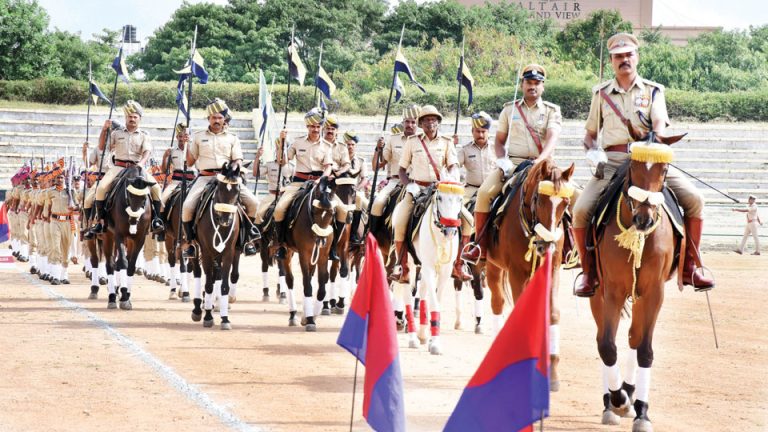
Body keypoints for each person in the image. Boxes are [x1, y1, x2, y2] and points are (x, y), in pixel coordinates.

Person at [572, 33, 714, 297]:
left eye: (629, 55)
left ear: (636, 57)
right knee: (580, 211)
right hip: (613, 162)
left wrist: (650, 145)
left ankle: (691, 266)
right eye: (618, 56)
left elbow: (659, 125)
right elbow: (590, 135)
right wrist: (592, 152)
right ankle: (588, 272)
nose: (624, 60)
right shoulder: (601, 94)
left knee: (695, 199)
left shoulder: (653, 91)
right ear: (612, 61)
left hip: (649, 160)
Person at [464, 65, 562, 263]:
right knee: (483, 194)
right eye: (529, 82)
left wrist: (541, 160)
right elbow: (499, 141)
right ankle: (480, 247)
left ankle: (569, 248)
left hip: (544, 165)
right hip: (514, 163)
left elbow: (552, 139)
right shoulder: (510, 109)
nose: (532, 86)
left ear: (543, 86)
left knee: (570, 197)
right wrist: (503, 162)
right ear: (522, 84)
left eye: (537, 83)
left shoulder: (552, 110)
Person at [389, 105, 474, 283]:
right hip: (417, 190)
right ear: (420, 123)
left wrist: (452, 175)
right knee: (399, 220)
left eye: (433, 119)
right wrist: (409, 185)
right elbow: (402, 170)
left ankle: (460, 264)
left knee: (467, 220)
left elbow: (452, 164)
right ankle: (402, 266)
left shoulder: (446, 142)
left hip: (440, 189)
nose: (430, 123)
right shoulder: (412, 142)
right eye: (426, 120)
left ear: (438, 123)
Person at [181, 98, 260, 257]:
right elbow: (190, 162)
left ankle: (247, 237)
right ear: (208, 118)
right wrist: (187, 145)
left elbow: (238, 158)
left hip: (227, 178)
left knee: (254, 203)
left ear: (224, 119)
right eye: (213, 117)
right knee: (187, 206)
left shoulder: (232, 138)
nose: (216, 120)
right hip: (205, 177)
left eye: (219, 117)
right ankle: (190, 242)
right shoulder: (197, 137)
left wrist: (235, 167)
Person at [86, 101, 163, 237]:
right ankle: (100, 222)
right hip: (119, 167)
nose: (132, 119)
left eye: (135, 117)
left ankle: (156, 219)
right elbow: (103, 147)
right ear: (125, 118)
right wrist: (104, 130)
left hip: (137, 167)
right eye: (129, 117)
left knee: (156, 188)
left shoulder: (144, 135)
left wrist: (141, 164)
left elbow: (147, 152)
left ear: (139, 118)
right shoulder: (117, 133)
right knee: (101, 189)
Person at [273, 108, 334, 259]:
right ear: (307, 127)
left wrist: (321, 180)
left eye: (318, 126)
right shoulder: (297, 142)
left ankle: (334, 247)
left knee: (339, 211)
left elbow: (328, 167)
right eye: (312, 126)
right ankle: (281, 243)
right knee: (279, 209)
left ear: (321, 127)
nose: (315, 129)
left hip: (320, 185)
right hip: (299, 183)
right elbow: (282, 161)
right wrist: (281, 144)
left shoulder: (327, 146)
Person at [369, 105, 420, 232]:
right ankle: (372, 239)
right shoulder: (393, 139)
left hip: (418, 183)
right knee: (378, 203)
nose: (410, 125)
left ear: (417, 123)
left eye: (413, 122)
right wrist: (378, 149)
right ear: (403, 122)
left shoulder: (423, 139)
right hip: (395, 182)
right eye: (407, 121)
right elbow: (377, 166)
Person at [325, 114, 352, 261]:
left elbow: (347, 164)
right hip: (317, 180)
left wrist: (338, 173)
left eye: (333, 129)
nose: (330, 131)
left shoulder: (342, 147)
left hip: (334, 184)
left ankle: (334, 245)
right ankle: (283, 241)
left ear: (337, 131)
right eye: (327, 128)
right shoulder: (319, 144)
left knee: (342, 211)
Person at [252, 143, 295, 226]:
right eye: (278, 150)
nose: (280, 153)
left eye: (282, 150)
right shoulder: (270, 165)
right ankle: (257, 235)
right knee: (258, 214)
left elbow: (294, 183)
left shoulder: (292, 167)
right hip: (272, 195)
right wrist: (257, 157)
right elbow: (255, 173)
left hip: (286, 196)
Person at [160, 123, 197, 207]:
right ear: (176, 137)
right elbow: (164, 171)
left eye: (185, 136)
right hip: (175, 183)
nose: (182, 139)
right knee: (162, 200)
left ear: (189, 137)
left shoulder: (194, 150)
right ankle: (160, 220)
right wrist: (165, 156)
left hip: (192, 182)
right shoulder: (171, 151)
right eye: (180, 136)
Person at [343, 130, 370, 245]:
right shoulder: (340, 159)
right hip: (340, 190)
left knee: (364, 202)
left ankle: (354, 233)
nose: (350, 147)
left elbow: (364, 179)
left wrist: (357, 188)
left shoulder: (360, 161)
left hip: (355, 190)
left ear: (356, 146)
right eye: (348, 144)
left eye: (352, 145)